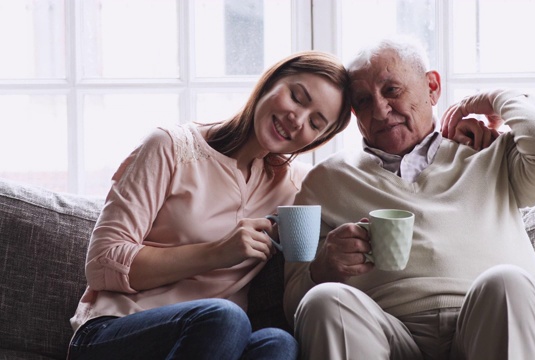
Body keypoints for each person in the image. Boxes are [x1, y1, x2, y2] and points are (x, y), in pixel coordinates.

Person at [283, 37, 535, 360]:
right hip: (385, 334)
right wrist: (324, 267)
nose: (380, 110)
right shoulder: (324, 183)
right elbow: (293, 302)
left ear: (431, 87)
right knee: (325, 300)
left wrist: (490, 99)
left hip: (489, 325)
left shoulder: (487, 152)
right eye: (362, 100)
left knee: (508, 281)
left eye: (392, 90)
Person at [66, 51, 354, 360]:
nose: (296, 120)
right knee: (225, 317)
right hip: (115, 331)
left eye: (315, 123)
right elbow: (102, 265)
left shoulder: (299, 189)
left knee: (278, 343)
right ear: (271, 81)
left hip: (220, 344)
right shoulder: (169, 148)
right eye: (297, 97)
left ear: (316, 140)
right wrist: (220, 252)